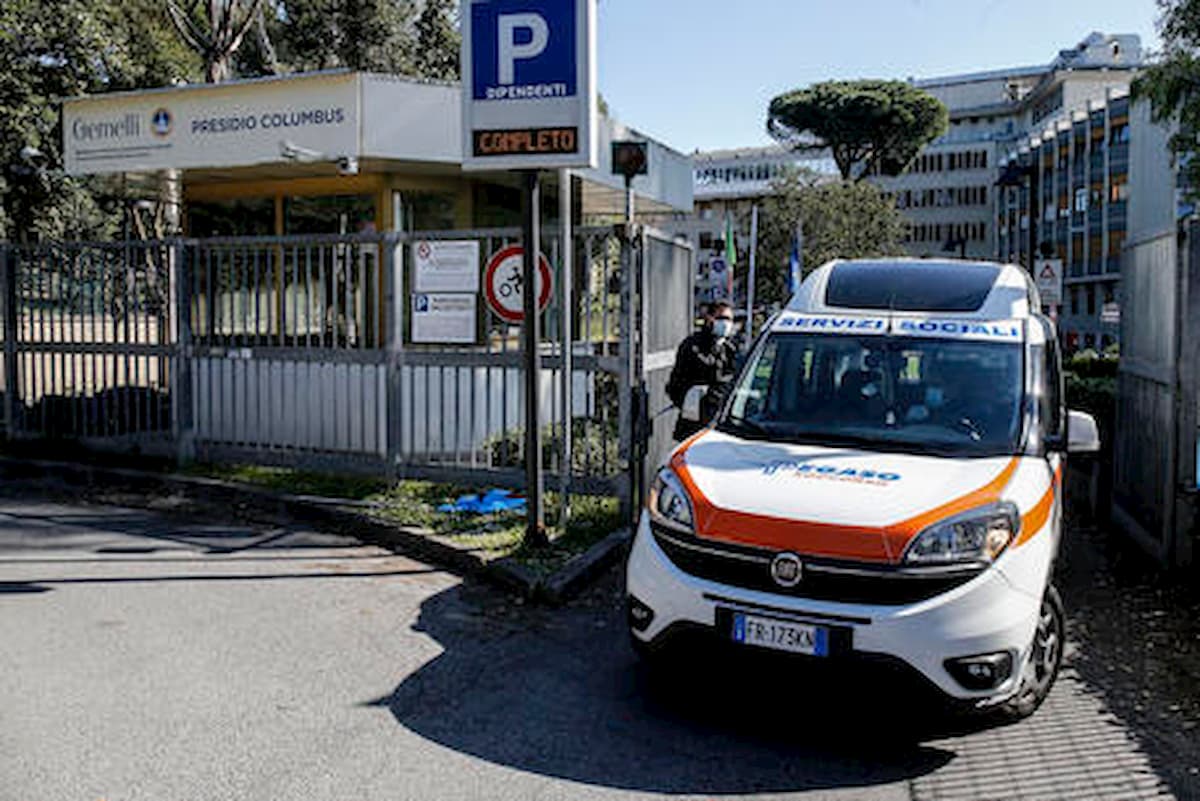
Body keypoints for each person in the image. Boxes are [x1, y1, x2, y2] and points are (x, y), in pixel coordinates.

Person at [666, 301, 739, 440]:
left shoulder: (729, 349)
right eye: (721, 318)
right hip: (694, 424)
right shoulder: (693, 346)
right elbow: (676, 385)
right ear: (709, 318)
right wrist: (692, 404)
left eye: (729, 319)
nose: (726, 323)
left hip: (722, 424)